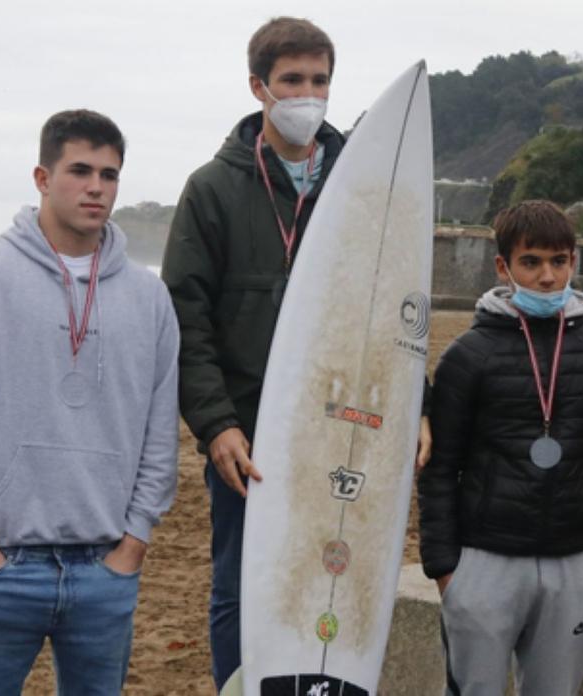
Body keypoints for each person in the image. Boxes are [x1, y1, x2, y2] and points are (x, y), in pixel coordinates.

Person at [160, 17, 430, 689]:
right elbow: (185, 320)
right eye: (292, 81)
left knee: (336, 574)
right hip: (251, 440)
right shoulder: (213, 189)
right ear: (259, 87)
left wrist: (413, 405)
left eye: (319, 80)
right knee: (243, 584)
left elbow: (397, 306)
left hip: (345, 428)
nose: (308, 94)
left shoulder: (363, 187)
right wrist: (216, 425)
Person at [0, 109, 180, 695]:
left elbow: (159, 426)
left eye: (109, 175)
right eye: (80, 171)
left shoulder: (148, 296)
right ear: (42, 178)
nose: (97, 188)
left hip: (105, 566)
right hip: (3, 564)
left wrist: (135, 540)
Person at [418, 200, 583, 695]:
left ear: (573, 261)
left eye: (559, 261)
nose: (547, 277)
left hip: (575, 563)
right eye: (531, 262)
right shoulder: (467, 355)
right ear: (504, 267)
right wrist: (446, 572)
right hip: (484, 561)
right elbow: (439, 471)